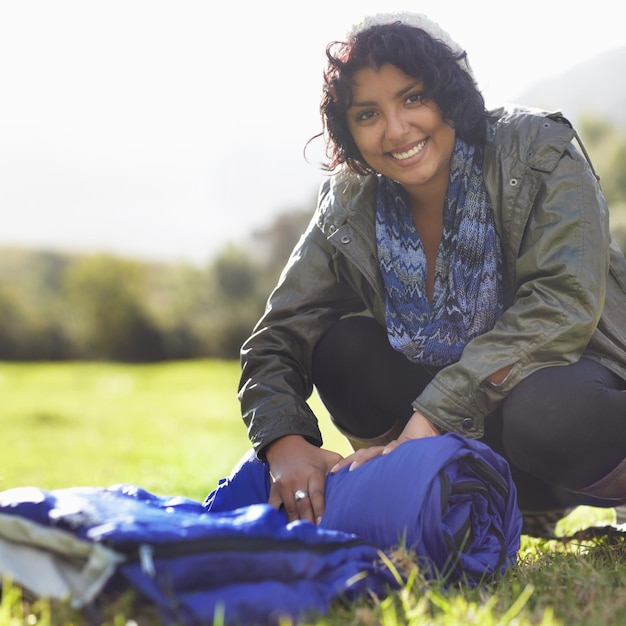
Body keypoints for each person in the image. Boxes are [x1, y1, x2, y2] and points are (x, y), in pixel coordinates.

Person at [237, 12, 626, 535]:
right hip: (464, 431)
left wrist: (431, 418)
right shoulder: (350, 201)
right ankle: (452, 499)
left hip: (585, 405)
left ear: (449, 94)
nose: (396, 130)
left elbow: (562, 302)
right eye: (368, 113)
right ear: (348, 131)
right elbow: (277, 337)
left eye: (413, 97)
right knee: (344, 348)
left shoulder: (537, 148)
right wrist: (284, 444)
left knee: (543, 407)